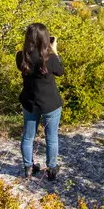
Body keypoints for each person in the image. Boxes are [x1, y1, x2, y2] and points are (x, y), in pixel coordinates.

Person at [16, 23, 64, 181]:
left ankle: (28, 167)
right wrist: (54, 50)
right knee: (51, 137)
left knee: (28, 137)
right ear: (45, 39)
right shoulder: (49, 58)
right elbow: (60, 71)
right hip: (50, 103)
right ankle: (51, 168)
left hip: (30, 103)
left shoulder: (21, 56)